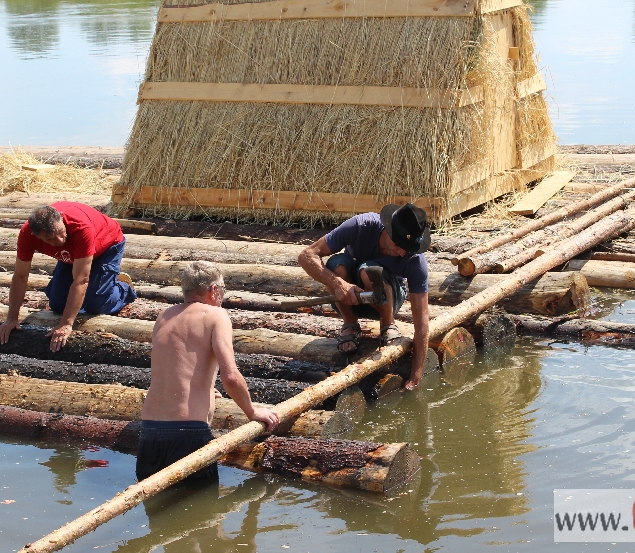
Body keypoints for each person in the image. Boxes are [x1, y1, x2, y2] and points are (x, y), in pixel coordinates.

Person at [137, 261, 280, 483]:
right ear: (214, 290)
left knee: (156, 514)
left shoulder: (164, 316)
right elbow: (230, 376)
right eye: (223, 288)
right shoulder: (216, 315)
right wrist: (252, 411)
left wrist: (203, 388)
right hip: (188, 434)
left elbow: (171, 365)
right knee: (204, 516)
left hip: (149, 432)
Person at [298, 203, 432, 390]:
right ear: (387, 230)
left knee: (369, 270)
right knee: (337, 264)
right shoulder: (362, 225)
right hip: (349, 298)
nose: (402, 252)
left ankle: (388, 324)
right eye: (399, 245)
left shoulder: (415, 260)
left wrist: (415, 376)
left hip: (389, 298)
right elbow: (306, 256)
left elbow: (422, 322)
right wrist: (339, 284)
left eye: (408, 248)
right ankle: (350, 323)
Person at [0, 201, 136, 352]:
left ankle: (123, 289)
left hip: (106, 245)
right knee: (58, 305)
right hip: (72, 255)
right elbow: (21, 276)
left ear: (61, 218)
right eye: (50, 239)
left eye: (60, 232)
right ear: (36, 236)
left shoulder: (81, 227)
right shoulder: (27, 234)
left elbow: (81, 280)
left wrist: (66, 324)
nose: (60, 240)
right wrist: (11, 318)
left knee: (95, 304)